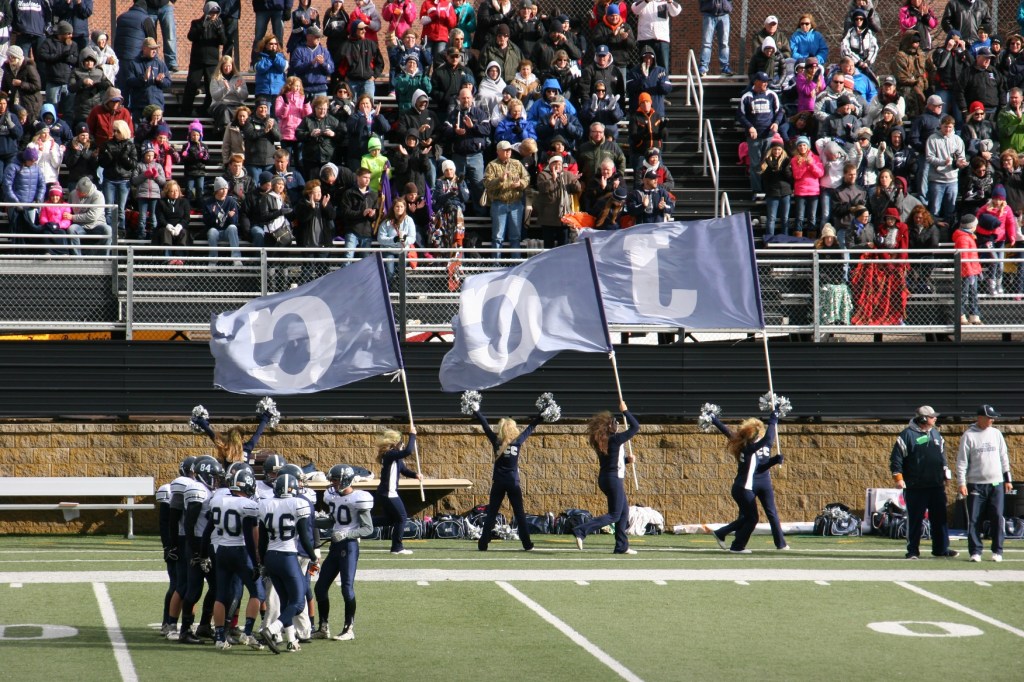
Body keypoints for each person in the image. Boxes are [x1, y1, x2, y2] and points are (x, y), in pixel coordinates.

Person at [258, 473, 319, 654]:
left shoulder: (265, 504)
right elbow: (306, 539)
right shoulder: (297, 503)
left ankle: (292, 640)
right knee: (298, 603)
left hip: (270, 556)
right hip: (287, 556)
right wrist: (314, 557)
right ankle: (271, 629)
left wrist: (262, 563)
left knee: (286, 602)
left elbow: (261, 541)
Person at [311, 464, 373, 642]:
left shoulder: (358, 498)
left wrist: (348, 533)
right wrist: (313, 521)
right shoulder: (334, 497)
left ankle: (349, 629)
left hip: (349, 547)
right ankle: (323, 627)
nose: (332, 483)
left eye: (335, 480)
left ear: (345, 479)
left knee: (347, 588)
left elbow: (368, 529)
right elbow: (333, 521)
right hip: (335, 547)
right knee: (320, 587)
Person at [470, 403, 544, 552]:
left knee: (491, 513)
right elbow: (531, 428)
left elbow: (485, 426)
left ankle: (483, 543)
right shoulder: (518, 442)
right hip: (513, 482)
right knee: (519, 514)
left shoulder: (496, 441)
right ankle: (527, 544)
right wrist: (541, 416)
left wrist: (476, 411)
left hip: (498, 482)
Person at [572, 401, 640, 555]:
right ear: (609, 426)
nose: (618, 425)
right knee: (614, 515)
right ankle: (581, 530)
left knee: (623, 512)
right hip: (613, 480)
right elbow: (636, 427)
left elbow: (612, 461)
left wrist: (627, 461)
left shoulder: (603, 441)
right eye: (615, 423)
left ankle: (621, 546)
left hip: (607, 478)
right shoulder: (614, 439)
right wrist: (626, 412)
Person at [891, 406, 958, 559]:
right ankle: (913, 550)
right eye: (932, 416)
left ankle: (941, 549)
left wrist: (945, 474)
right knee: (915, 520)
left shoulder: (936, 433)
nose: (935, 419)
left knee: (940, 518)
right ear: (922, 419)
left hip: (936, 486)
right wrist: (899, 479)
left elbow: (942, 456)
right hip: (916, 487)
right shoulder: (907, 435)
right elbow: (896, 459)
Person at [957, 405, 1013, 563]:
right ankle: (975, 551)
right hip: (976, 484)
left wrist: (1008, 479)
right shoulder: (968, 435)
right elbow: (962, 461)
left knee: (997, 516)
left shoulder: (996, 434)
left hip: (996, 484)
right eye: (989, 417)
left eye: (993, 417)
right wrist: (961, 482)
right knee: (974, 518)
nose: (992, 420)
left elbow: (1004, 457)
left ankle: (997, 550)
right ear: (980, 417)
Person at [375, 427, 421, 555]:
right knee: (402, 518)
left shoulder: (395, 457)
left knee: (390, 520)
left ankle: (360, 525)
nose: (402, 444)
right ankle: (397, 548)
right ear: (394, 443)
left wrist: (416, 475)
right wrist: (412, 435)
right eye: (400, 442)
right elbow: (408, 451)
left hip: (386, 492)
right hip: (388, 493)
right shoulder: (389, 454)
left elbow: (404, 470)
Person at [737, 71, 783, 194]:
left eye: (766, 81)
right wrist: (750, 127)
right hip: (754, 136)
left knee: (767, 162)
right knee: (755, 164)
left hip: (768, 135)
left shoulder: (772, 95)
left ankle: (767, 188)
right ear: (756, 82)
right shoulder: (747, 96)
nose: (765, 84)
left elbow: (779, 111)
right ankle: (757, 190)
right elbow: (740, 115)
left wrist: (776, 123)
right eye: (763, 81)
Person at [484, 139, 529, 257]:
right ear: (498, 151)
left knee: (516, 236)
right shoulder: (492, 165)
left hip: (516, 204)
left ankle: (516, 265)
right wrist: (500, 180)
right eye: (505, 150)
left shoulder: (517, 163)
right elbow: (487, 183)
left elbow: (527, 178)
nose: (508, 152)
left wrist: (520, 184)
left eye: (509, 150)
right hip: (499, 203)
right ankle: (496, 265)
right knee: (498, 237)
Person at [181, 2, 227, 118]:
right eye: (212, 12)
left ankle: (206, 110)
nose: (214, 15)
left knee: (211, 88)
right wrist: (203, 25)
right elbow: (191, 36)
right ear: (206, 12)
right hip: (197, 61)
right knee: (192, 85)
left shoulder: (219, 24)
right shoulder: (196, 23)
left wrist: (220, 29)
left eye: (216, 13)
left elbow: (223, 41)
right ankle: (185, 112)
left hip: (212, 62)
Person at [816, 224, 853, 324]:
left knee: (844, 289)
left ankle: (842, 318)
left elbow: (840, 268)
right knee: (831, 290)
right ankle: (829, 318)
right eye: (827, 237)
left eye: (831, 238)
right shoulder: (819, 251)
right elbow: (819, 270)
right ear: (823, 238)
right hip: (823, 281)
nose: (829, 240)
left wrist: (837, 278)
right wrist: (827, 278)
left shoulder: (837, 250)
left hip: (835, 279)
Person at [953, 213, 983, 324]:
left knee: (973, 295)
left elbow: (973, 256)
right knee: (964, 295)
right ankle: (961, 316)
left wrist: (978, 270)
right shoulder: (963, 238)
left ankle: (974, 315)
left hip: (972, 271)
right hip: (966, 273)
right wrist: (969, 273)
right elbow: (964, 257)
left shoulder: (969, 237)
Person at [697, 0, 732, 77]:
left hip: (724, 14)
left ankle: (725, 66)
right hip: (709, 13)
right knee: (707, 43)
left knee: (724, 43)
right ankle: (704, 66)